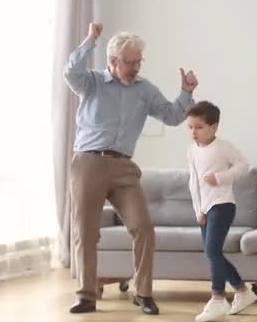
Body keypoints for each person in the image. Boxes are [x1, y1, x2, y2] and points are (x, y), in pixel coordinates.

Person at [63, 21, 198, 315]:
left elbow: (172, 116)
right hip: (89, 162)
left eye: (139, 61)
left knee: (144, 228)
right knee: (86, 231)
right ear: (112, 61)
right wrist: (89, 40)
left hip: (124, 167)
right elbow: (70, 72)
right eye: (130, 62)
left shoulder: (145, 90)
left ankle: (144, 293)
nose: (136, 67)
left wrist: (186, 93)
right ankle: (86, 295)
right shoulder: (92, 82)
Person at [185, 101, 257, 321]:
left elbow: (243, 165)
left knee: (212, 252)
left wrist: (220, 177)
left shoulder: (223, 147)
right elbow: (193, 183)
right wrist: (198, 210)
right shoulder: (191, 151)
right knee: (211, 254)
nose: (193, 132)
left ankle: (218, 298)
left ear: (214, 127)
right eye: (190, 127)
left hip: (223, 204)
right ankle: (241, 293)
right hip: (205, 209)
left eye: (198, 127)